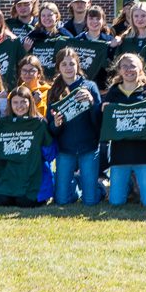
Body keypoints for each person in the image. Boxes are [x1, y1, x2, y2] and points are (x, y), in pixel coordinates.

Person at [101, 52, 146, 208]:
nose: (129, 69)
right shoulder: (113, 93)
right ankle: (127, 187)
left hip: (145, 154)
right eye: (124, 66)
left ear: (141, 69)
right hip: (120, 155)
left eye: (133, 66)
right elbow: (106, 123)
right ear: (119, 70)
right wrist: (102, 110)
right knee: (116, 202)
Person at [46, 47, 102, 206]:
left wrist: (91, 103)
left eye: (72, 64)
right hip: (65, 149)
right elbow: (51, 127)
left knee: (90, 201)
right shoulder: (54, 90)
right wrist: (56, 124)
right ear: (58, 67)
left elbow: (99, 120)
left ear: (78, 65)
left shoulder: (89, 86)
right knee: (61, 200)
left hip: (88, 146)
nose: (68, 68)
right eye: (64, 64)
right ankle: (77, 186)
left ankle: (99, 188)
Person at [0, 85, 51, 207]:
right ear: (10, 104)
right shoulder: (2, 124)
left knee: (25, 202)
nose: (19, 106)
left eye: (23, 102)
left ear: (30, 102)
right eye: (15, 102)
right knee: (2, 201)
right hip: (10, 177)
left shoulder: (38, 123)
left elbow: (50, 153)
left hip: (31, 176)